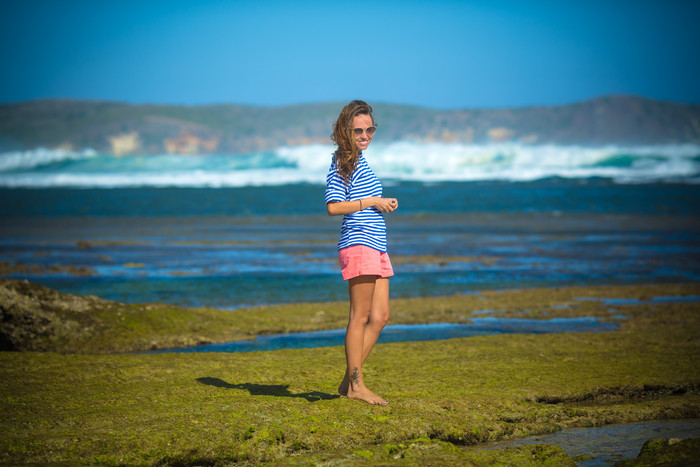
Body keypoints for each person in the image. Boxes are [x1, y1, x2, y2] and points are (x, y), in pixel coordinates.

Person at [324, 100, 398, 406]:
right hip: (359, 243)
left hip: (376, 245)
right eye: (358, 130)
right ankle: (356, 385)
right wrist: (372, 202)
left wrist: (382, 203)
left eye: (370, 129)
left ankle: (348, 381)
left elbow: (362, 197)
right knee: (360, 317)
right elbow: (332, 207)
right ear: (346, 131)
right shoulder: (342, 161)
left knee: (380, 316)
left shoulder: (361, 160)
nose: (365, 135)